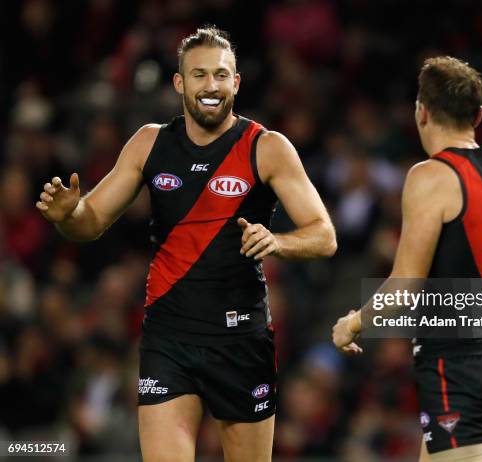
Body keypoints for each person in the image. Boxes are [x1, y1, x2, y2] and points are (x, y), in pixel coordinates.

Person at [36, 26, 336, 462]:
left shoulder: (267, 148)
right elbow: (92, 220)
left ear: (236, 82)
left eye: (220, 75)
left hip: (241, 341)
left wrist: (278, 242)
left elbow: (324, 235)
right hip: (168, 338)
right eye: (199, 75)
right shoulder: (149, 143)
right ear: (180, 83)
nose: (210, 86)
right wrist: (69, 215)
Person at [332, 56, 482, 462]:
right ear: (478, 115)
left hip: (456, 364)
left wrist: (354, 323)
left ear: (421, 111)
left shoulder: (431, 175)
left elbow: (404, 285)